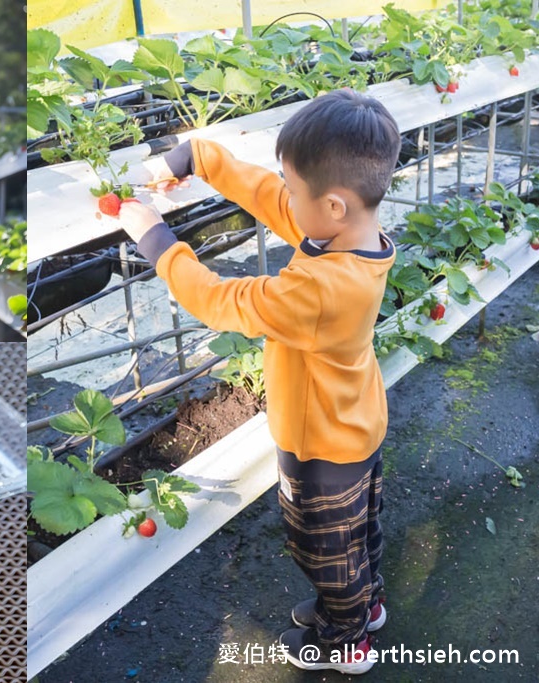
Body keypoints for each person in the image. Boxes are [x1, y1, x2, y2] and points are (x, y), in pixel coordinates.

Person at [118, 89, 401, 675]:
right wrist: (195, 156)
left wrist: (156, 240)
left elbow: (221, 301)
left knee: (320, 545)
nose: (285, 198)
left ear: (334, 204)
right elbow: (267, 193)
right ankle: (361, 607)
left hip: (321, 446)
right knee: (360, 530)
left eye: (295, 190)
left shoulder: (323, 290)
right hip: (356, 425)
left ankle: (344, 638)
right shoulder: (351, 236)